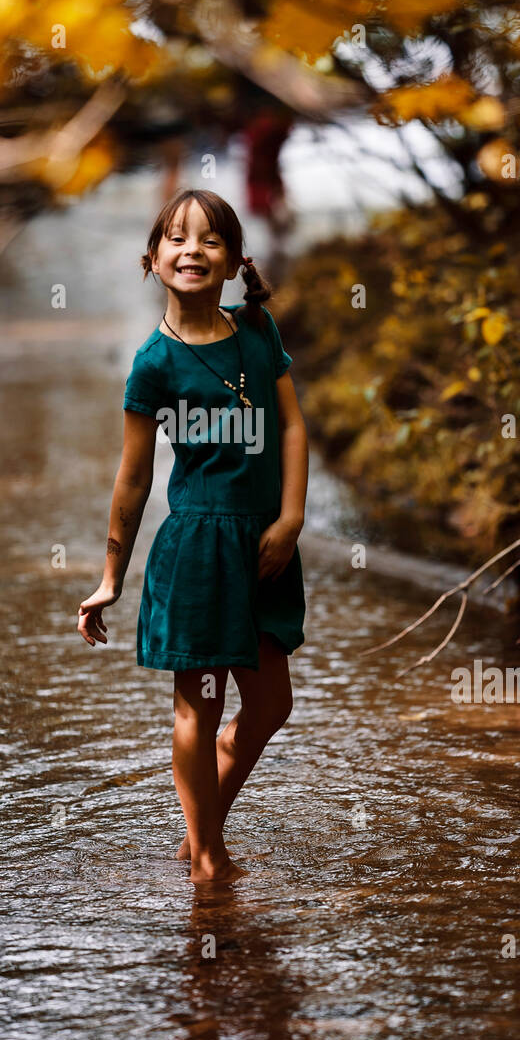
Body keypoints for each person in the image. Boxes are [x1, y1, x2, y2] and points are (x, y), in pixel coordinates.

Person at [77, 188, 308, 885]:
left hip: (267, 545)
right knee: (199, 707)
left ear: (235, 260)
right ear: (153, 260)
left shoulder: (257, 330)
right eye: (177, 238)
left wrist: (292, 519)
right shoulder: (152, 363)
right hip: (199, 551)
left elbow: (292, 427)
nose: (193, 250)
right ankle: (208, 860)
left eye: (211, 240)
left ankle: (196, 829)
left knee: (270, 705)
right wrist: (110, 579)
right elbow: (132, 479)